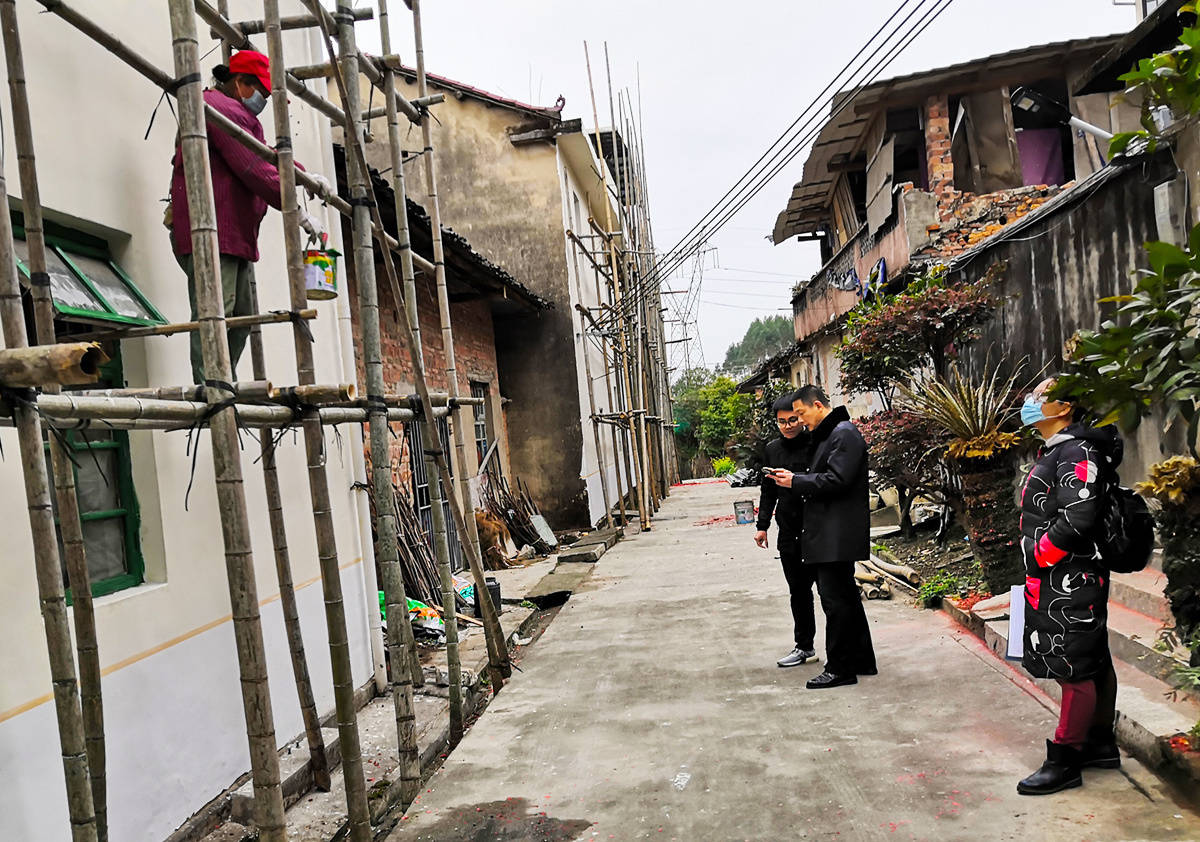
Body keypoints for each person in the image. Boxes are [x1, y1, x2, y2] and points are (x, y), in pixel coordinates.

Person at [167, 49, 329, 384]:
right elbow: (253, 167)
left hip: (233, 235)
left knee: (240, 315)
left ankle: (223, 380)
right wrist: (295, 210)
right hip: (210, 229)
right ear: (240, 82)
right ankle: (212, 384)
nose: (263, 100)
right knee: (216, 311)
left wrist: (303, 176)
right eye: (262, 92)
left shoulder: (237, 114)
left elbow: (265, 155)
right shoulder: (217, 107)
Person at [1015, 377, 1121, 795]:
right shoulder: (1062, 448)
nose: (1030, 402)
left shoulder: (1076, 450)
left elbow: (1078, 517)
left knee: (1072, 662)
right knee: (1087, 657)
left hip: (1068, 576)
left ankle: (1066, 759)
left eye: (1040, 397)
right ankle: (1098, 744)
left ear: (1063, 408)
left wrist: (1039, 554)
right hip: (1061, 574)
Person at [773, 385, 877, 689]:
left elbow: (838, 479)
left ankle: (840, 668)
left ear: (818, 405)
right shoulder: (832, 434)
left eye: (802, 414)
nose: (801, 421)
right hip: (831, 531)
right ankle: (860, 660)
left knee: (835, 602)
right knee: (845, 599)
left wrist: (796, 482)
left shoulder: (842, 433)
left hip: (836, 533)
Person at [755, 391, 816, 668]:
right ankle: (804, 647)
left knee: (829, 593)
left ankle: (843, 649)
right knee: (799, 593)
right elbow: (768, 491)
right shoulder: (772, 450)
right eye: (782, 421)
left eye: (793, 419)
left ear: (801, 417)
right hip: (789, 532)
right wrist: (762, 526)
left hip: (818, 529)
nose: (788, 425)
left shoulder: (817, 443)